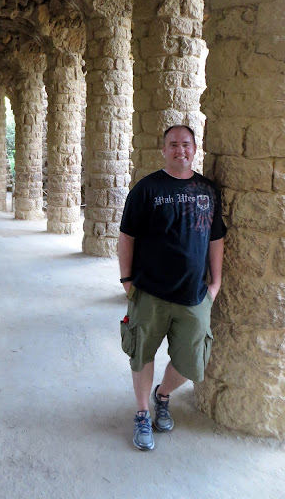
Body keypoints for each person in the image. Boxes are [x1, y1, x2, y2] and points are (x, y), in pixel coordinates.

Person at [118, 125, 226, 451]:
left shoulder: (207, 190)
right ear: (163, 150)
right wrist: (127, 281)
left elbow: (216, 238)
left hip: (194, 295)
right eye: (174, 144)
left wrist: (216, 283)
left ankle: (162, 395)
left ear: (195, 149)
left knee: (192, 362)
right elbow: (126, 237)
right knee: (142, 354)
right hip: (149, 292)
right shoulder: (147, 189)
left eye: (186, 144)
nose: (181, 150)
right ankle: (142, 413)